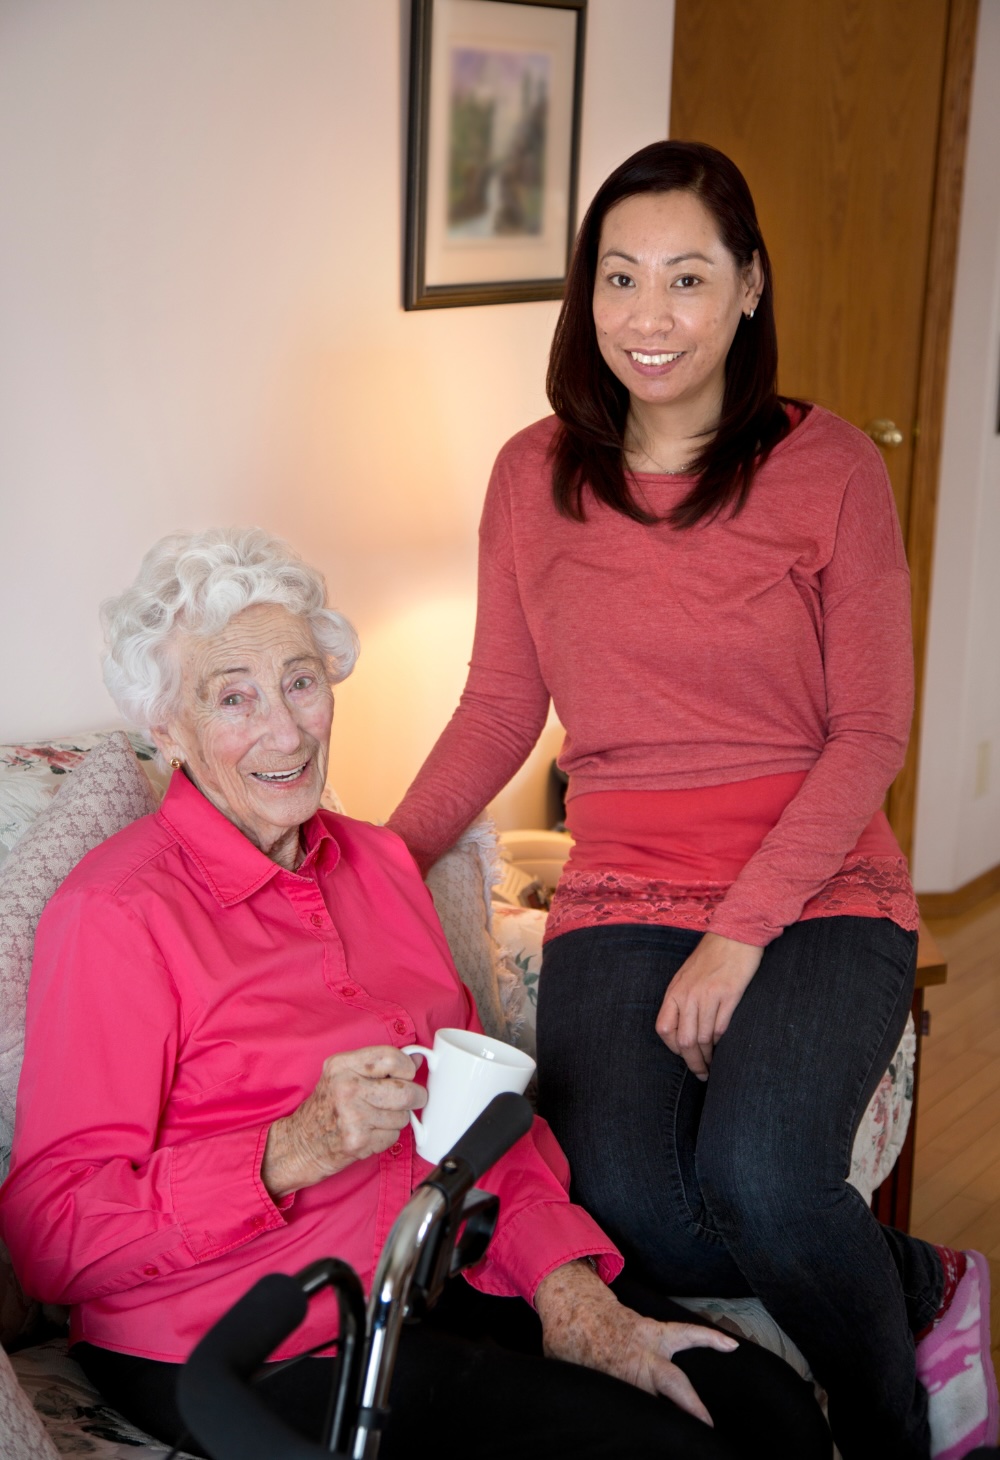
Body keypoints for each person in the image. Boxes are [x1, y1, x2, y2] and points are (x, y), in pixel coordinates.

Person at [386, 141, 998, 1460]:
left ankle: (897, 1426)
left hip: (819, 889)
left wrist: (741, 935)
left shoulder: (829, 468)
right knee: (626, 1210)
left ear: (748, 291)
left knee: (764, 1179)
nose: (649, 317)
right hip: (616, 890)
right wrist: (373, 862)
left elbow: (868, 733)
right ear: (585, 295)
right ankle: (913, 1282)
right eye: (619, 278)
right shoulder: (529, 475)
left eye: (686, 278)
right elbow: (501, 709)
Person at [0, 527, 832, 1460]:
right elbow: (50, 1232)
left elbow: (485, 1118)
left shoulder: (377, 863)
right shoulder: (118, 912)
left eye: (301, 682)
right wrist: (287, 1150)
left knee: (769, 1415)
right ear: (167, 729)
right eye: (232, 698)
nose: (285, 730)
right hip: (249, 1337)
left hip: (434, 1276)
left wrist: (566, 1291)